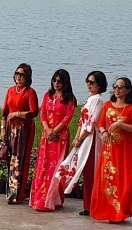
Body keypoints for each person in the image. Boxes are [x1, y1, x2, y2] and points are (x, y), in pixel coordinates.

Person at [45, 71, 107, 215]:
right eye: (87, 81)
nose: (88, 84)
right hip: (84, 139)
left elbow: (92, 123)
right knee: (85, 171)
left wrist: (81, 137)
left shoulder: (98, 100)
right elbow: (82, 121)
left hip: (91, 140)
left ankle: (92, 205)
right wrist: (77, 136)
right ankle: (88, 205)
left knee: (90, 170)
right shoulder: (90, 99)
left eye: (92, 82)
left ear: (100, 85)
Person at [88, 77, 132, 224]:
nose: (117, 89)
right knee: (107, 179)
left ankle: (119, 212)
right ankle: (106, 211)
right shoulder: (107, 105)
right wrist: (104, 132)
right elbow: (100, 123)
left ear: (128, 90)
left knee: (123, 179)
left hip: (124, 151)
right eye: (115, 86)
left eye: (121, 87)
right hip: (109, 149)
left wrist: (120, 124)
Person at [29, 69, 76, 211]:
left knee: (56, 167)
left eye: (60, 81)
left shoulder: (69, 99)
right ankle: (40, 199)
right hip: (47, 137)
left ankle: (53, 199)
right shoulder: (47, 95)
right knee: (43, 165)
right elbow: (42, 113)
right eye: (54, 80)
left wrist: (54, 131)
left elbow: (68, 118)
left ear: (65, 83)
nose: (56, 83)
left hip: (60, 137)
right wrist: (48, 130)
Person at [1, 63, 39, 205]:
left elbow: (34, 112)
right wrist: (3, 130)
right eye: (17, 73)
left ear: (27, 77)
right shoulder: (10, 91)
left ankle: (18, 193)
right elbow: (4, 113)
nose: (19, 76)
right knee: (10, 160)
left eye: (22, 74)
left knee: (20, 161)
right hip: (11, 129)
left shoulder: (30, 92)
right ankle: (10, 192)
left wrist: (17, 114)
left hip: (24, 130)